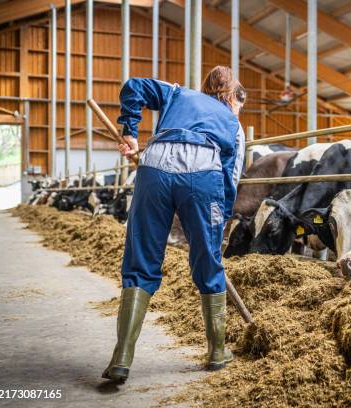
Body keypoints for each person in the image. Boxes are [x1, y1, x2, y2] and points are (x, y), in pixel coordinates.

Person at [102, 66, 245, 382]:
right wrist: (216, 221)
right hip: (203, 170)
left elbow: (134, 86)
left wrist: (130, 130)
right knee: (208, 260)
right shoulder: (234, 123)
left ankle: (122, 357)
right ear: (234, 97)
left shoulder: (177, 92)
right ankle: (217, 352)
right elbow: (230, 178)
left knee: (141, 259)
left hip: (154, 165)